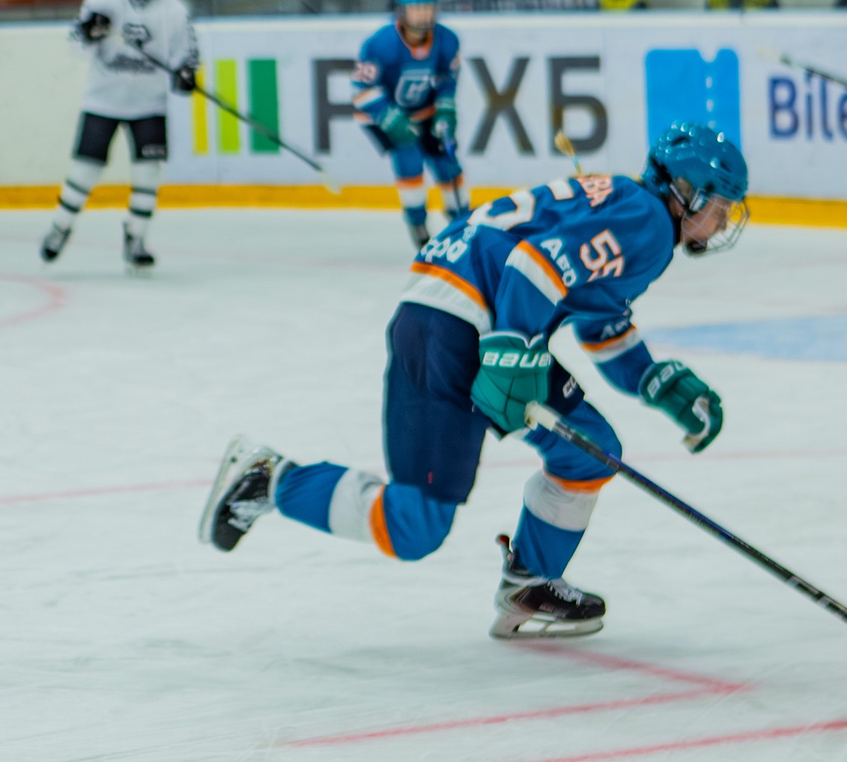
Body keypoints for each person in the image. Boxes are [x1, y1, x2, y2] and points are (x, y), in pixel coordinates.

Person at [195, 123, 748, 640]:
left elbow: (601, 322)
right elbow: (534, 265)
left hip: (463, 317)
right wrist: (511, 353)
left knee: (591, 451)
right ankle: (270, 480)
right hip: (460, 324)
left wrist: (658, 381)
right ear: (684, 191)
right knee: (414, 525)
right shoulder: (649, 223)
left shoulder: (632, 212)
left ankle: (530, 583)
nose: (721, 224)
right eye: (718, 208)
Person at [41, 0, 199, 272]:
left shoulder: (174, 8)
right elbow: (75, 46)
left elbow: (186, 51)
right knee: (85, 172)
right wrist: (88, 32)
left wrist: (186, 72)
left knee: (148, 175)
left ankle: (136, 237)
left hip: (150, 105)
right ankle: (60, 227)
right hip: (103, 103)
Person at [354, 0, 468, 250]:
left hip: (425, 111)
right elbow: (362, 91)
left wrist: (445, 110)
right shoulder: (379, 45)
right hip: (386, 115)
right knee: (409, 159)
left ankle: (463, 222)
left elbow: (446, 80)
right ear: (401, 11)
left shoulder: (447, 40)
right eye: (416, 8)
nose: (423, 15)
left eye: (428, 7)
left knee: (448, 163)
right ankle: (418, 225)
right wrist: (390, 118)